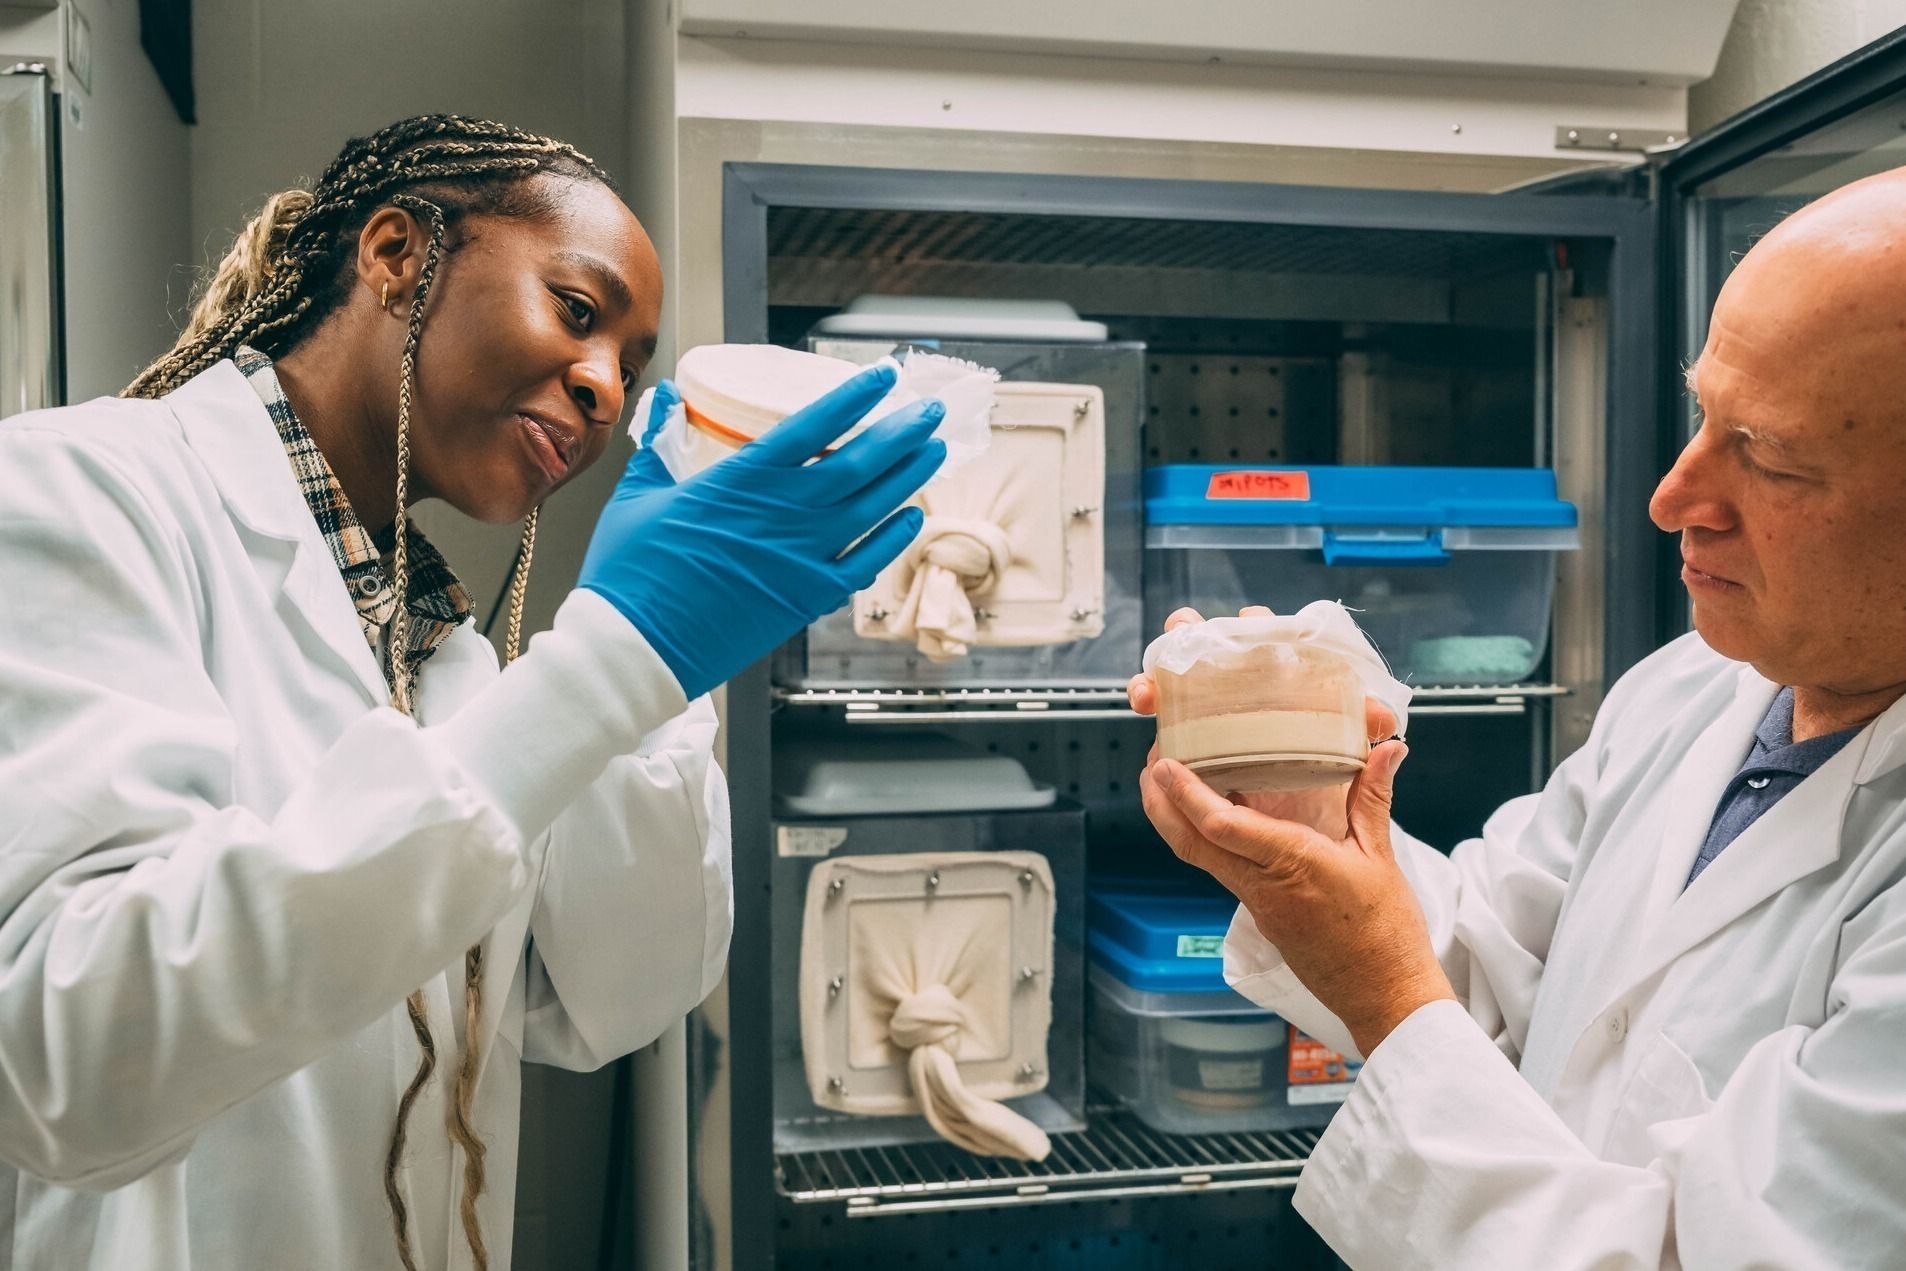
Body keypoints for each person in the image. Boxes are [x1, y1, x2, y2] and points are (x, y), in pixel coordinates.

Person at [0, 116, 943, 1271]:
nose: (605, 387)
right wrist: (610, 660)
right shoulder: (81, 489)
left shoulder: (444, 656)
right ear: (397, 254)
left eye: (631, 366)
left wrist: (654, 680)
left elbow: (607, 999)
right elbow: (67, 1056)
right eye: (579, 311)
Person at [1131, 166, 1906, 1267]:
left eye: (1770, 458)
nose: (1672, 497)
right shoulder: (1697, 686)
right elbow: (1498, 967)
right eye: (1702, 416)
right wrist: (1306, 818)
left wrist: (1388, 996)